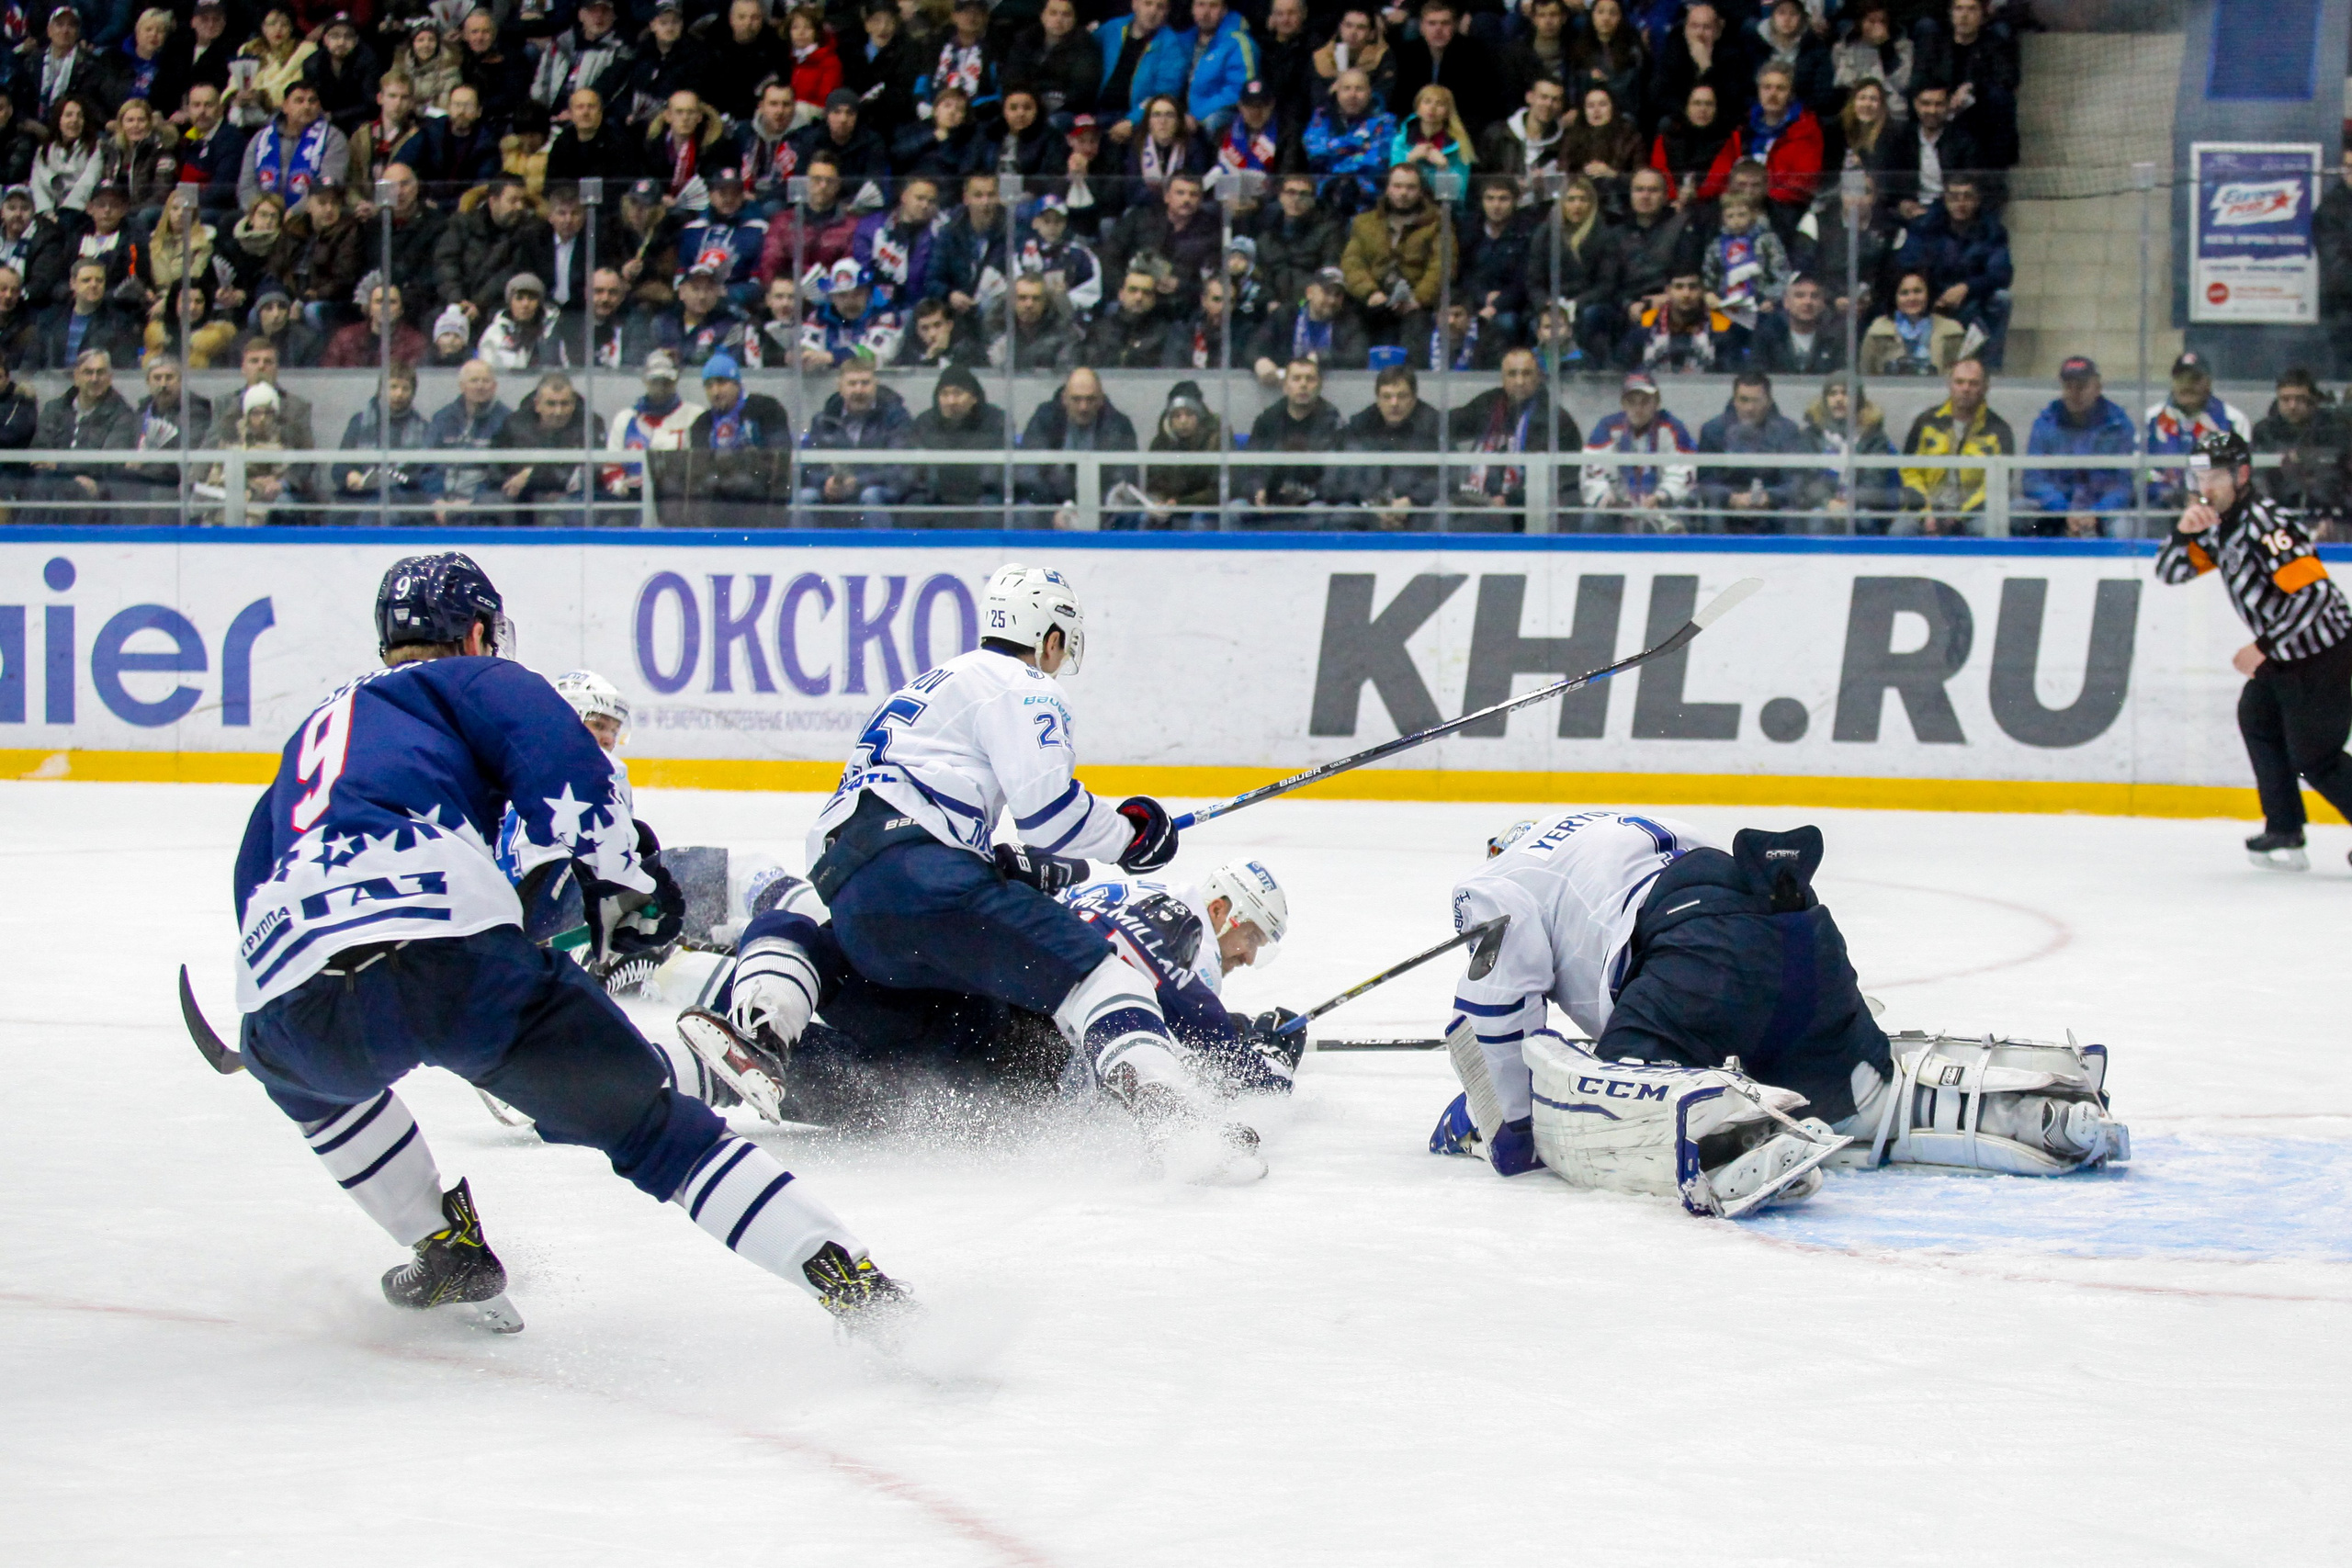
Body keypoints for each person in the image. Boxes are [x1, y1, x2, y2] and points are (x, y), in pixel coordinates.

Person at [232, 551, 907, 1335]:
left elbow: (254, 881)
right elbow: (573, 784)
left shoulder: (307, 737)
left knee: (311, 1088)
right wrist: (636, 885)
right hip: (455, 962)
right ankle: (850, 1280)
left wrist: (266, 1025)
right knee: (656, 1133)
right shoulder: (476, 679)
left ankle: (441, 1243)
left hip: (292, 993)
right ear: (478, 630)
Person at [685, 563, 1263, 1178]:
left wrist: (997, 862)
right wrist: (1132, 834)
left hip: (854, 891)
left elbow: (916, 809)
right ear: (1049, 637)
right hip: (930, 887)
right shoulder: (1022, 683)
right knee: (1107, 980)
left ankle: (762, 1028)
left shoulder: (931, 686)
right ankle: (1178, 1124)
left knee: (796, 927)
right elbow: (1047, 813)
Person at [1423, 813, 2118, 1205]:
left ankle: (1731, 1130)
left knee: (1604, 1097)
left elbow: (1497, 1006)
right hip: (1800, 933)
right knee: (1865, 1096)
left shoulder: (1497, 877)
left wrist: (1508, 1118)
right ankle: (2034, 1111)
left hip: (1696, 963)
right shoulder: (1622, 827)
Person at [2157, 431, 2352, 872]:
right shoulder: (2219, 526)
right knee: (2258, 717)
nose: (2204, 486)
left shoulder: (2266, 524)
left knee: (2316, 756)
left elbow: (2315, 596)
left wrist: (2263, 645)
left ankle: (2286, 827)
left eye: (2215, 476)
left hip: (2325, 651)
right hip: (2288, 654)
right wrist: (2181, 532)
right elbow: (2170, 572)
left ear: (2242, 475)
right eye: (2198, 475)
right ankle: (2284, 828)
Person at [1446, 347, 1581, 529]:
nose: (1519, 381)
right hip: (1478, 501)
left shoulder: (1555, 418)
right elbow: (1447, 427)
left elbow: (1557, 481)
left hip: (1525, 511)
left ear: (1538, 376)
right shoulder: (1490, 402)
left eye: (1527, 374)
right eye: (1512, 374)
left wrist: (1508, 501)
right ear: (1503, 378)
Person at [1890, 171, 2010, 367]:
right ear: (1945, 200)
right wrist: (1930, 294)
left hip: (1971, 302)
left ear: (1977, 200)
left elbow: (2001, 273)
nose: (1960, 203)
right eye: (1954, 197)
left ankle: (1990, 367)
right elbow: (1907, 264)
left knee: (2002, 299)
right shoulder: (1926, 226)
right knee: (1908, 293)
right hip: (1930, 300)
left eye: (1967, 197)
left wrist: (1966, 288)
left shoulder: (1992, 230)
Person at [1895, 355, 2013, 536]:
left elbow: (1996, 485)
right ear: (1949, 384)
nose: (1965, 389)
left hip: (1973, 515)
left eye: (1973, 383)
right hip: (1925, 510)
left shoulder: (1999, 430)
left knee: (1984, 529)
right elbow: (1909, 472)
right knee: (1901, 530)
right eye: (1959, 382)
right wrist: (1926, 513)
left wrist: (1960, 517)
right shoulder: (1926, 422)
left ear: (1985, 387)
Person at [2022, 355, 2136, 538]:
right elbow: (2033, 480)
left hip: (2103, 512)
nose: (2074, 393)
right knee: (2017, 513)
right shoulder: (2045, 422)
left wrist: (2097, 512)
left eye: (2081, 387)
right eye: (2068, 387)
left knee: (2123, 527)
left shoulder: (2119, 425)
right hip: (2055, 510)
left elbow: (2125, 484)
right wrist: (2063, 509)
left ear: (2097, 387)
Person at [795, 351, 912, 529]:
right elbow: (810, 467)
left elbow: (900, 469)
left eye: (865, 383)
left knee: (871, 495)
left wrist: (858, 482)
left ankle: (881, 553)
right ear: (840, 386)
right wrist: (827, 483)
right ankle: (799, 553)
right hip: (836, 496)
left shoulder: (895, 418)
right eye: (852, 383)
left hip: (879, 492)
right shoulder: (823, 420)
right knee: (805, 498)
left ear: (875, 385)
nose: (858, 390)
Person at [1014, 367, 1139, 529]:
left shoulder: (1119, 425)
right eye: (1076, 399)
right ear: (1064, 398)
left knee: (1129, 514)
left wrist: (1095, 511)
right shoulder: (1044, 418)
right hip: (1052, 504)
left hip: (1100, 507)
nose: (1083, 407)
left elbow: (1124, 477)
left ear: (1101, 399)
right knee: (1026, 511)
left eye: (1090, 399)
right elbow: (1028, 471)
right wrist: (1054, 511)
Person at [1341, 163, 1450, 348]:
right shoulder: (1364, 222)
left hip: (1416, 305)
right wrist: (1371, 292)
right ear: (1388, 189)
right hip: (1374, 300)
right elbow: (1352, 263)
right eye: (1397, 186)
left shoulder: (1437, 223)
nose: (1403, 193)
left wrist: (1418, 299)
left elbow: (1442, 265)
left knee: (1417, 327)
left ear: (1421, 191)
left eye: (1410, 187)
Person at [1695, 368, 1812, 532]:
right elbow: (1705, 483)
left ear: (1769, 401)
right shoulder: (1713, 430)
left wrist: (1768, 497)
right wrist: (1731, 498)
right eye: (1744, 400)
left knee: (1792, 513)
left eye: (1756, 401)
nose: (1749, 408)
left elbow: (1795, 482)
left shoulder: (1788, 431)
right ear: (1734, 400)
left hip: (1773, 509)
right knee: (1712, 512)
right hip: (1727, 508)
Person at [684, 351, 789, 528]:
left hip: (760, 497)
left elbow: (780, 455)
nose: (715, 391)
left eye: (722, 383)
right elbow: (700, 467)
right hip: (719, 498)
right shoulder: (702, 424)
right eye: (709, 386)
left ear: (737, 384)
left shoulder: (766, 408)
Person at [1581, 369, 1698, 532]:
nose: (1638, 408)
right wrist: (1609, 500)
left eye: (1645, 402)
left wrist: (1660, 497)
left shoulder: (1673, 428)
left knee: (1682, 517)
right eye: (1632, 402)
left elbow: (1683, 474)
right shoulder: (1606, 428)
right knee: (1591, 519)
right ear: (1623, 404)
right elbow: (1593, 475)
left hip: (1660, 505)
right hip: (1618, 507)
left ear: (1657, 402)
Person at [30, 347, 137, 524]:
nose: (95, 379)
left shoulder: (123, 414)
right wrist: (64, 472)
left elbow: (109, 461)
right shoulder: (55, 408)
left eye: (100, 372)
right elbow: (39, 451)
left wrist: (58, 466)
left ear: (110, 378)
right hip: (51, 482)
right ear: (76, 376)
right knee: (44, 484)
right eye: (88, 372)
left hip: (99, 488)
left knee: (66, 490)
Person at [1336, 363, 1442, 531]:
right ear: (1377, 399)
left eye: (1402, 396)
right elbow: (1347, 474)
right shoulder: (1361, 425)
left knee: (1440, 515)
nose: (1394, 403)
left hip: (1417, 509)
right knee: (1342, 514)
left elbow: (1449, 475)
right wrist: (1374, 504)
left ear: (1414, 398)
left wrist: (1413, 501)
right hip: (1371, 509)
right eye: (1387, 396)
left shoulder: (1433, 424)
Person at [2145, 349, 2252, 510]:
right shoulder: (2152, 419)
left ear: (2208, 382)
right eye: (2181, 379)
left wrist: (2203, 495)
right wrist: (2176, 495)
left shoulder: (2233, 420)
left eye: (2194, 379)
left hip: (2218, 504)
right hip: (2161, 505)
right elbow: (2139, 471)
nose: (2187, 385)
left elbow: (2243, 473)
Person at [904, 362, 1004, 527]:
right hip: (936, 497)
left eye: (958, 393)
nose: (951, 401)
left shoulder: (996, 421)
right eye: (944, 394)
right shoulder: (924, 422)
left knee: (992, 505)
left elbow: (995, 472)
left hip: (980, 496)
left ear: (974, 397)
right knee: (915, 504)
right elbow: (916, 471)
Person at [2252, 367, 2352, 533]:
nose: (2292, 406)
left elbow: (2341, 477)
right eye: (2285, 399)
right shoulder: (2264, 431)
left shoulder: (2335, 429)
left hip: (2333, 517)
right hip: (2278, 514)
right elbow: (2259, 479)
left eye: (2299, 399)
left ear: (2313, 400)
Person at [332, 361, 434, 522]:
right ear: (381, 390)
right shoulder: (359, 422)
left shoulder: (424, 428)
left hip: (404, 496)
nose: (399, 394)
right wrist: (350, 475)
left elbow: (426, 474)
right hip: (360, 494)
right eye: (393, 387)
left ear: (413, 393)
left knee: (381, 508)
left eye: (405, 388)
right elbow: (339, 468)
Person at [1390, 0, 1504, 139]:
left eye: (1445, 23)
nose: (1438, 29)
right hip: (1414, 128)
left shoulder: (1474, 53)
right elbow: (1399, 102)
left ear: (1455, 26)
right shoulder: (1406, 54)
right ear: (1421, 27)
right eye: (1432, 23)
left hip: (1461, 130)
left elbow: (1482, 103)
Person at [603, 348, 695, 514]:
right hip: (630, 501)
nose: (660, 387)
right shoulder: (625, 419)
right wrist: (619, 485)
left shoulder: (693, 415)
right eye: (655, 381)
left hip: (676, 502)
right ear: (645, 380)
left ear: (675, 381)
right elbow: (611, 466)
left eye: (666, 381)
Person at [1801, 373, 1900, 523]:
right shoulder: (1811, 435)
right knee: (1818, 519)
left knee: (1863, 520)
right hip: (1824, 505)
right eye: (1833, 393)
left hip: (1862, 507)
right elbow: (1807, 481)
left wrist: (1849, 503)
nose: (1839, 399)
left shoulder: (1874, 438)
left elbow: (1874, 483)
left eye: (1846, 393)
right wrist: (1828, 502)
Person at [1302, 67, 1394, 213]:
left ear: (1369, 92)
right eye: (1347, 88)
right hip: (1325, 197)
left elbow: (1377, 160)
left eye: (1359, 89)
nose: (1353, 95)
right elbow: (1315, 150)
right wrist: (1358, 145)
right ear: (1337, 92)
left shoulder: (1385, 121)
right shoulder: (1322, 116)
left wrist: (1335, 150)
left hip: (1367, 201)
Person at [1136, 378, 1224, 531]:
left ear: (1200, 415)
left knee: (1199, 521)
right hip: (1170, 508)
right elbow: (1154, 485)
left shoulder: (1217, 438)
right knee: (1146, 518)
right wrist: (1158, 502)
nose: (1183, 421)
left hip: (1205, 509)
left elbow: (1218, 490)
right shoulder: (1160, 443)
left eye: (1189, 414)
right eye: (1177, 416)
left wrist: (1180, 503)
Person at [1094, 0, 1188, 141]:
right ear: (1134, 4)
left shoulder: (1172, 46)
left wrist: (1132, 121)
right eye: (1148, 3)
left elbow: (1163, 95)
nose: (1153, 11)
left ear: (1167, 12)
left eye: (1160, 7)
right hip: (1095, 110)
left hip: (1133, 117)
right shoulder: (1111, 29)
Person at [427, 357, 512, 513]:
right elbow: (428, 466)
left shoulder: (507, 420)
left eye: (485, 381)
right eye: (474, 380)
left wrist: (473, 503)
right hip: (440, 501)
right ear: (462, 386)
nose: (480, 386)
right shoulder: (443, 418)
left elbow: (500, 473)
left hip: (482, 502)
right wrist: (436, 498)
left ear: (494, 386)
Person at [1620, 266, 1744, 372]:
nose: (1686, 294)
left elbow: (1729, 376)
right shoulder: (1646, 324)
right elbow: (1621, 369)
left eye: (1693, 287)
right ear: (1668, 291)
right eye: (1679, 287)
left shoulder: (1722, 327)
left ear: (1702, 291)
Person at [33, 255, 140, 369]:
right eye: (86, 280)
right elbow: (31, 361)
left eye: (99, 280)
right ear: (72, 283)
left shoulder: (119, 323)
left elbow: (125, 366)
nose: (93, 285)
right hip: (53, 385)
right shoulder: (49, 320)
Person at [1859, 270, 1961, 377]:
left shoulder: (1951, 331)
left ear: (1928, 294)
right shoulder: (1877, 332)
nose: (1911, 298)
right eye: (1904, 293)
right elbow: (1866, 375)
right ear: (1895, 297)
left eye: (1917, 291)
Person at [1747, 270, 1841, 376]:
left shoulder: (1836, 339)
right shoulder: (1768, 337)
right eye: (1800, 296)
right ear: (1786, 302)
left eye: (1814, 296)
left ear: (1823, 303)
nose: (1807, 302)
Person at [321, 276, 426, 367]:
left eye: (392, 302)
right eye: (379, 301)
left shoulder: (415, 343)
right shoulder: (345, 338)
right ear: (369, 308)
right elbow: (327, 376)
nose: (385, 307)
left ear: (401, 310)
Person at [1080, 267, 1172, 369]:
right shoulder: (1100, 331)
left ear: (1153, 299)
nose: (1139, 297)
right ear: (1121, 295)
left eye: (1146, 292)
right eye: (1133, 290)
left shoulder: (1164, 334)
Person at [988, 272, 1079, 371]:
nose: (1029, 304)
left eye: (1036, 298)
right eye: (1022, 298)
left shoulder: (1064, 333)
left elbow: (1066, 372)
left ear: (1045, 302)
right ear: (1012, 301)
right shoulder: (996, 329)